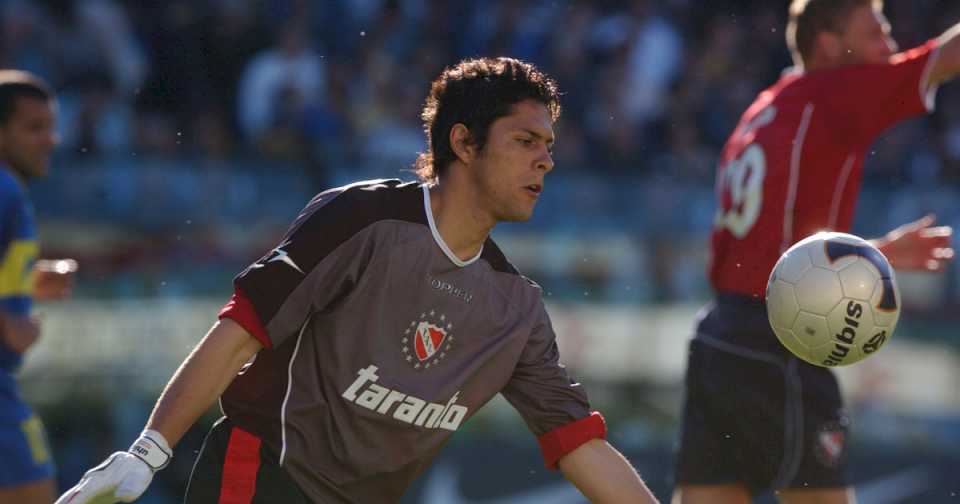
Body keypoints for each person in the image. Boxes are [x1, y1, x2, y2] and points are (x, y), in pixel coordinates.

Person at [57, 57, 659, 504]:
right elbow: (242, 327)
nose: (546, 160)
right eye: (526, 141)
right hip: (263, 478)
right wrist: (148, 452)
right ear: (464, 142)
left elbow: (580, 442)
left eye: (549, 146)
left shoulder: (516, 308)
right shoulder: (360, 220)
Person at [673, 1, 959, 503]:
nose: (890, 46)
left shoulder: (764, 106)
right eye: (875, 31)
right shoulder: (833, 93)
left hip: (719, 337)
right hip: (780, 340)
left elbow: (767, 243)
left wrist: (877, 251)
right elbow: (944, 58)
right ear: (828, 45)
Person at [0, 70, 77, 504]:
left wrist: (26, 284)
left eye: (51, 127)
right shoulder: (5, 190)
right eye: (34, 128)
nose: (50, 140)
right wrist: (12, 324)